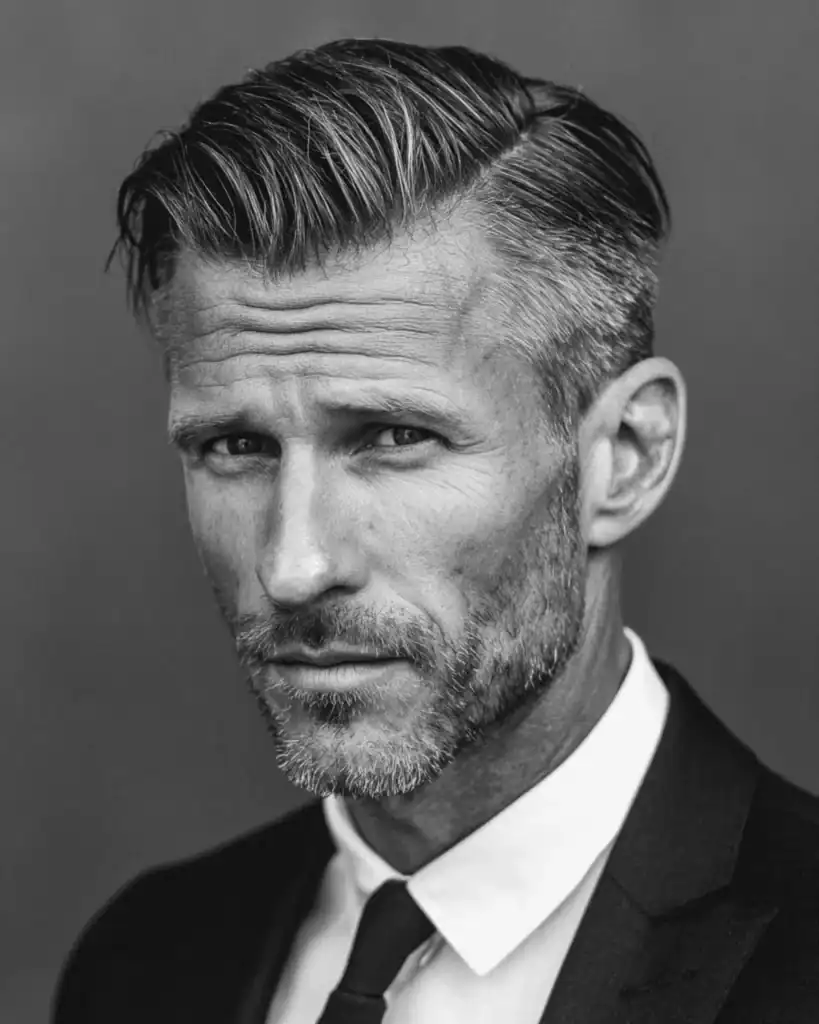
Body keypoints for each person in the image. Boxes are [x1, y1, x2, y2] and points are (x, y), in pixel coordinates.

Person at [53, 38, 819, 1024]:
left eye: (393, 436)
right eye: (236, 446)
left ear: (624, 454)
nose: (294, 565)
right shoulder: (147, 962)